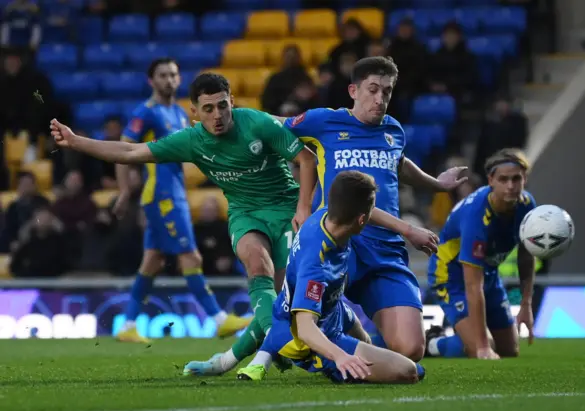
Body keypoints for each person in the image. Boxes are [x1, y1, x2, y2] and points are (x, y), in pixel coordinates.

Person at [50, 72, 320, 362]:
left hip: (285, 208)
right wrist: (77, 142)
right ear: (194, 112)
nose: (217, 115)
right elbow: (130, 150)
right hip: (245, 214)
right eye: (208, 109)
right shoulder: (192, 141)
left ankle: (277, 346)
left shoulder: (257, 123)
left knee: (284, 298)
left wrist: (303, 208)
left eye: (222, 106)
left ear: (232, 102)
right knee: (256, 262)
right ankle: (272, 339)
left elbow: (307, 159)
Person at [269, 56, 467, 362]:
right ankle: (279, 345)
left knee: (411, 350)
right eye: (373, 89)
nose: (380, 99)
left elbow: (398, 165)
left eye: (386, 92)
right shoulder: (323, 122)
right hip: (339, 242)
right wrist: (231, 120)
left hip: (385, 250)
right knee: (304, 333)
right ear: (353, 91)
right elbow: (273, 126)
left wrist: (436, 184)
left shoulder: (393, 130)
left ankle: (355, 336)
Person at [208, 170, 425, 384]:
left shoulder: (324, 214)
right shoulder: (317, 266)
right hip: (305, 337)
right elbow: (305, 328)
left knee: (368, 341)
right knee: (409, 371)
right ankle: (335, 366)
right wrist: (340, 355)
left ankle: (354, 358)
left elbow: (366, 210)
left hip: (332, 311)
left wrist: (408, 229)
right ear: (361, 220)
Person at [97, 60, 249, 344]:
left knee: (152, 261)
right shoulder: (147, 113)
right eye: (163, 75)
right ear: (151, 81)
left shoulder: (179, 113)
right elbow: (124, 149)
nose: (169, 80)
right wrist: (124, 191)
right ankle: (218, 318)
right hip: (161, 195)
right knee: (190, 256)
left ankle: (127, 324)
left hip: (175, 192)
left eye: (173, 74)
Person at [424, 148, 536, 360]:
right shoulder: (477, 215)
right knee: (480, 349)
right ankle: (432, 343)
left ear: (524, 179)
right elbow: (472, 286)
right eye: (503, 179)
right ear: (491, 180)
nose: (510, 186)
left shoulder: (527, 205)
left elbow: (526, 254)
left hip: (488, 275)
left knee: (509, 351)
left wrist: (526, 304)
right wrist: (483, 347)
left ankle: (469, 338)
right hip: (452, 276)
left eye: (516, 179)